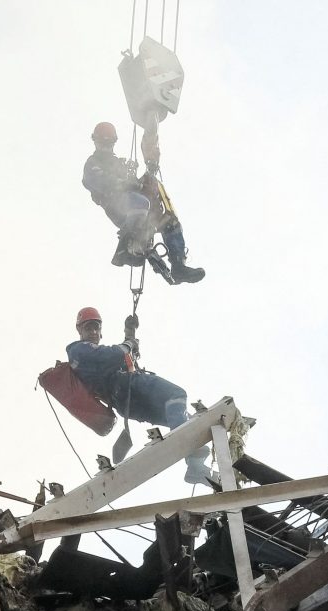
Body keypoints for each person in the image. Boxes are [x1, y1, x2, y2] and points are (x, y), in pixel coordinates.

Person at [66, 306, 211, 482]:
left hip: (126, 404)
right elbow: (114, 354)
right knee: (177, 395)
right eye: (89, 328)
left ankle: (195, 467)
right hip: (127, 387)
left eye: (96, 327)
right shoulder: (78, 350)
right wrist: (129, 343)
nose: (94, 332)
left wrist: (130, 333)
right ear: (79, 329)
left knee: (180, 418)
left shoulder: (90, 357)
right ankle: (188, 452)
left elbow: (122, 357)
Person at [81, 122, 205, 285]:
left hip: (137, 204)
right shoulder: (93, 163)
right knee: (140, 203)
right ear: (95, 142)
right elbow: (98, 181)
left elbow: (134, 184)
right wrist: (124, 183)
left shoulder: (118, 164)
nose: (106, 147)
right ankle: (127, 246)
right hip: (117, 204)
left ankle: (178, 266)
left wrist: (138, 179)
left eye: (109, 143)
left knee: (170, 222)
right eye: (102, 143)